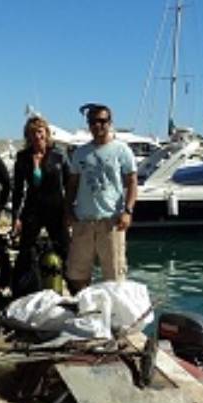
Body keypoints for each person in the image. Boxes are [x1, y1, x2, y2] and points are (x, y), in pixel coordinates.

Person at [64, 104, 138, 291]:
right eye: (93, 122)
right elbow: (72, 184)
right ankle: (86, 310)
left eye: (102, 121)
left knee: (114, 276)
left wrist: (128, 211)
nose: (98, 125)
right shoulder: (80, 153)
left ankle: (112, 315)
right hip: (84, 221)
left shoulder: (122, 150)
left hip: (111, 221)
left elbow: (132, 183)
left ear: (109, 123)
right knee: (77, 274)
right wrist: (68, 210)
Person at [10, 116, 69, 296]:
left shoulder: (59, 155)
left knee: (64, 248)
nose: (37, 136)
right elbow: (18, 190)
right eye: (33, 133)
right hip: (32, 209)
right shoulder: (23, 157)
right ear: (28, 136)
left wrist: (70, 211)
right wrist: (16, 217)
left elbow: (70, 185)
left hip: (55, 208)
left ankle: (71, 287)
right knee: (25, 249)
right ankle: (19, 289)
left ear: (46, 133)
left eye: (40, 132)